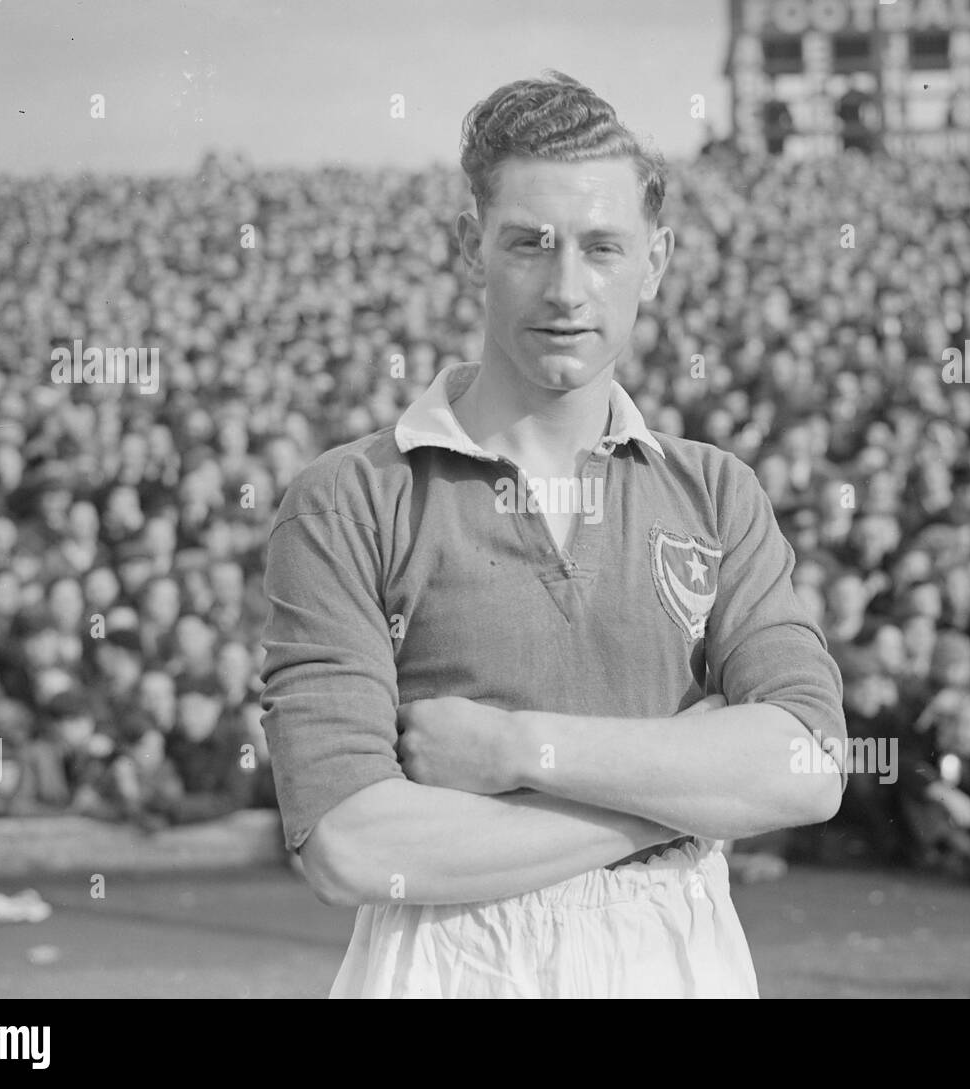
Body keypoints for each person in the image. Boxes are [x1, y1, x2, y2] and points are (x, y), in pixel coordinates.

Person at [260, 72, 845, 999]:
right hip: (450, 963)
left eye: (602, 247)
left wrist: (516, 750)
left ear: (654, 260)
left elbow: (808, 764)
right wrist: (678, 803)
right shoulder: (349, 498)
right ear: (472, 248)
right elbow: (352, 845)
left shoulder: (716, 491)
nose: (567, 287)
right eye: (530, 243)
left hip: (676, 961)